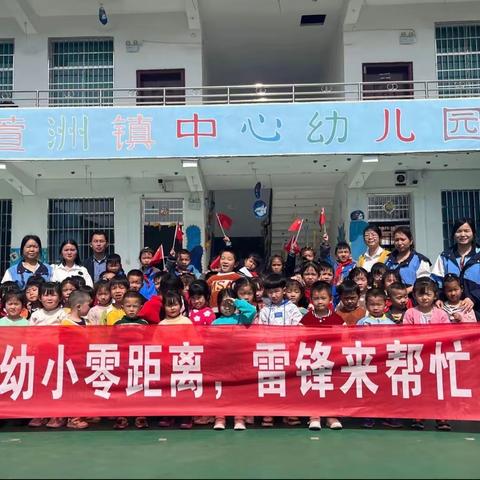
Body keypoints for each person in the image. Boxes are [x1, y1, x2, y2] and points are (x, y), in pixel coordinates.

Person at [403, 277, 451, 431]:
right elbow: (405, 333)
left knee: (439, 388)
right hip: (418, 357)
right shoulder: (410, 313)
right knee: (419, 387)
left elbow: (448, 334)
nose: (424, 298)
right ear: (414, 296)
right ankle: (418, 416)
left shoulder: (441, 314)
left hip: (437, 357)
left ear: (435, 295)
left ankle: (442, 417)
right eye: (420, 294)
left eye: (428, 294)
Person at [300, 281, 343, 431]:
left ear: (330, 299)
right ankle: (314, 415)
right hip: (313, 360)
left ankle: (331, 416)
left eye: (323, 298)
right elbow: (300, 337)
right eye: (316, 298)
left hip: (331, 361)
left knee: (331, 388)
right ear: (311, 299)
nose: (319, 301)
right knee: (314, 387)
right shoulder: (306, 319)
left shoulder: (338, 319)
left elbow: (344, 338)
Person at [211, 288, 257, 431]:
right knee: (221, 391)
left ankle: (239, 418)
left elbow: (252, 311)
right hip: (221, 362)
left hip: (239, 362)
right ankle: (220, 417)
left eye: (229, 303)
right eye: (223, 303)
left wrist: (237, 302)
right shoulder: (215, 322)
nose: (227, 306)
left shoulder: (241, 319)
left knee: (239, 391)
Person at [431, 218, 480, 321]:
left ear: (473, 232)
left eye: (466, 231)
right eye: (459, 231)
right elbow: (435, 283)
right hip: (449, 313)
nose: (462, 234)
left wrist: (473, 297)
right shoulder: (445, 256)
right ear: (454, 234)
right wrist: (438, 298)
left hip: (477, 310)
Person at [384, 226, 431, 292]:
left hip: (412, 299)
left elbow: (423, 283)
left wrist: (404, 292)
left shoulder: (420, 260)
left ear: (411, 241)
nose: (399, 243)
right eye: (396, 240)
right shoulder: (388, 259)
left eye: (403, 239)